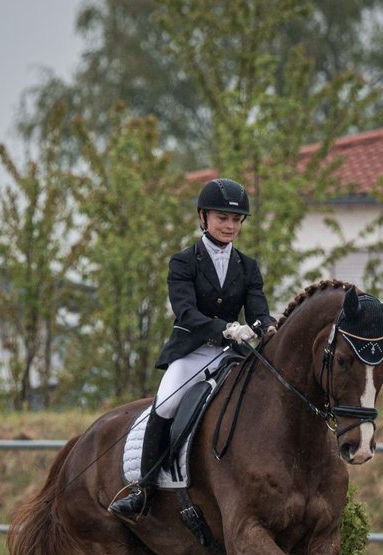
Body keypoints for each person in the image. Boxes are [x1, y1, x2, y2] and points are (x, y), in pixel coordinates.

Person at [109, 177, 278, 521]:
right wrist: (226, 327)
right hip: (192, 352)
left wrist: (267, 326)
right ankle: (145, 488)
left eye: (235, 220)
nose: (230, 226)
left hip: (231, 356)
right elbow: (186, 312)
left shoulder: (248, 267)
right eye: (222, 218)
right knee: (168, 402)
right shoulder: (183, 262)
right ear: (203, 218)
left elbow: (258, 310)